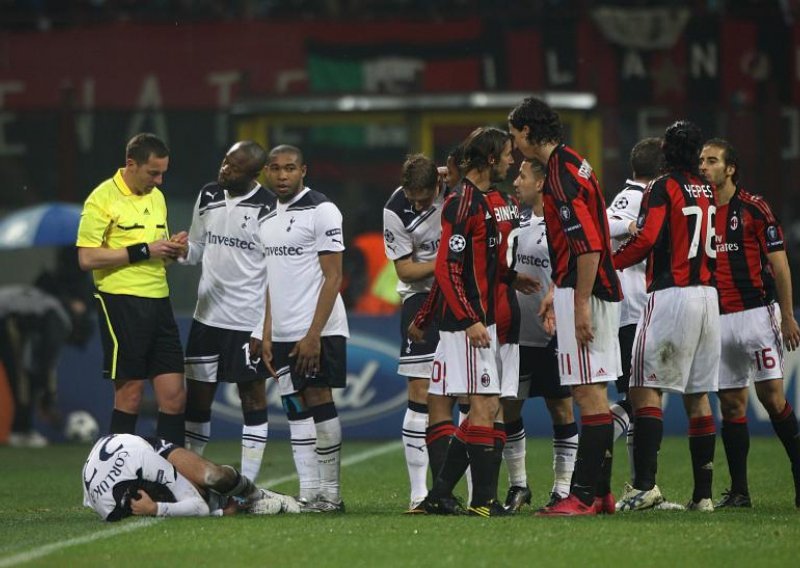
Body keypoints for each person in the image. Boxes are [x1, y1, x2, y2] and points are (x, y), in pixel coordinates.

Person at [509, 96, 623, 516]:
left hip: (587, 292)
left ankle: (583, 496)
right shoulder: (574, 161)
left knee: (588, 395)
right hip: (579, 288)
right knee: (590, 393)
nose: (513, 142)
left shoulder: (560, 178)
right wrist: (557, 292)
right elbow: (576, 243)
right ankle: (603, 495)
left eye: (514, 133)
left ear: (526, 131)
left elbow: (589, 245)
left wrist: (576, 303)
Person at [614, 120, 720, 512]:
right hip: (708, 298)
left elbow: (646, 237)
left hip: (671, 296)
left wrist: (610, 265)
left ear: (666, 151)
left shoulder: (662, 187)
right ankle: (703, 496)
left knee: (643, 388)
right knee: (698, 396)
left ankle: (645, 487)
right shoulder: (707, 189)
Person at [418, 126, 513, 517]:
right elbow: (447, 269)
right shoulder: (462, 202)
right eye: (507, 154)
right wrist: (470, 318)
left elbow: (479, 263)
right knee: (485, 405)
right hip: (467, 324)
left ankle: (441, 494)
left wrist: (509, 279)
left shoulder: (483, 200)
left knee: (484, 408)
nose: (512, 160)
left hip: (482, 319)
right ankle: (484, 501)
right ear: (490, 158)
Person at [700, 138, 800, 508]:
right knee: (731, 405)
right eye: (701, 161)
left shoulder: (754, 209)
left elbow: (780, 265)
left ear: (730, 169)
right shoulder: (701, 210)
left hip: (758, 315)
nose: (704, 167)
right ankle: (740, 491)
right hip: (718, 318)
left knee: (772, 399)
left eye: (712, 161)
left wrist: (787, 315)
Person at [76, 133, 187, 446]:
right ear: (130, 164)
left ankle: (170, 478)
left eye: (163, 172)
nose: (159, 180)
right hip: (120, 302)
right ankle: (117, 476)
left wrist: (172, 252)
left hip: (159, 302)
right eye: (153, 173)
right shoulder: (102, 198)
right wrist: (144, 250)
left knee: (175, 397)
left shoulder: (157, 197)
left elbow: (156, 256)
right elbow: (86, 258)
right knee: (131, 395)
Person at [176, 141, 275, 483]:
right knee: (198, 400)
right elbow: (198, 248)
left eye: (234, 167)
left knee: (252, 398)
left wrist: (263, 328)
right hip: (207, 317)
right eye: (224, 162)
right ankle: (191, 477)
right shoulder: (208, 194)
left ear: (253, 173)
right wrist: (179, 249)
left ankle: (246, 483)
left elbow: (274, 273)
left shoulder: (269, 207)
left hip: (246, 321)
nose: (224, 170)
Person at [260, 145, 349, 513]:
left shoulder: (323, 210)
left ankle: (331, 494)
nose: (283, 176)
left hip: (318, 329)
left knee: (319, 400)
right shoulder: (265, 217)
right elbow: (268, 278)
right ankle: (309, 492)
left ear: (304, 171)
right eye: (276, 169)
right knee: (294, 406)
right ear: (266, 172)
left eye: (290, 168)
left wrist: (313, 333)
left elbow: (334, 277)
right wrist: (264, 332)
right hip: (281, 332)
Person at [503, 158, 578, 512]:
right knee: (509, 408)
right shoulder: (514, 221)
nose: (516, 181)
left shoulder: (561, 223)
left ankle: (563, 489)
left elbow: (574, 268)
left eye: (522, 175)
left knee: (560, 408)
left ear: (542, 182)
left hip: (552, 333)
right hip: (516, 333)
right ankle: (519, 485)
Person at [383, 153, 447, 512]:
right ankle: (418, 492)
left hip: (461, 298)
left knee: (468, 393)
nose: (418, 203)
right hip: (421, 299)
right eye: (413, 197)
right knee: (419, 389)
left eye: (424, 197)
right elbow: (406, 270)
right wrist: (449, 261)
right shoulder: (395, 207)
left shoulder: (455, 188)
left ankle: (472, 494)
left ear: (436, 185)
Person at [606, 138, 664, 483]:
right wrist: (629, 227)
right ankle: (594, 446)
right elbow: (609, 223)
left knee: (637, 398)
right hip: (634, 310)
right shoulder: (636, 197)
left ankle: (640, 484)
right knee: (637, 398)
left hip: (632, 308)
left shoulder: (633, 194)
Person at [82, 433, 299, 521]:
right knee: (187, 501)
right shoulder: (108, 510)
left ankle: (254, 496)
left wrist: (155, 509)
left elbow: (199, 507)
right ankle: (236, 504)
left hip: (145, 449)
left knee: (212, 477)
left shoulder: (142, 459)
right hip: (106, 459)